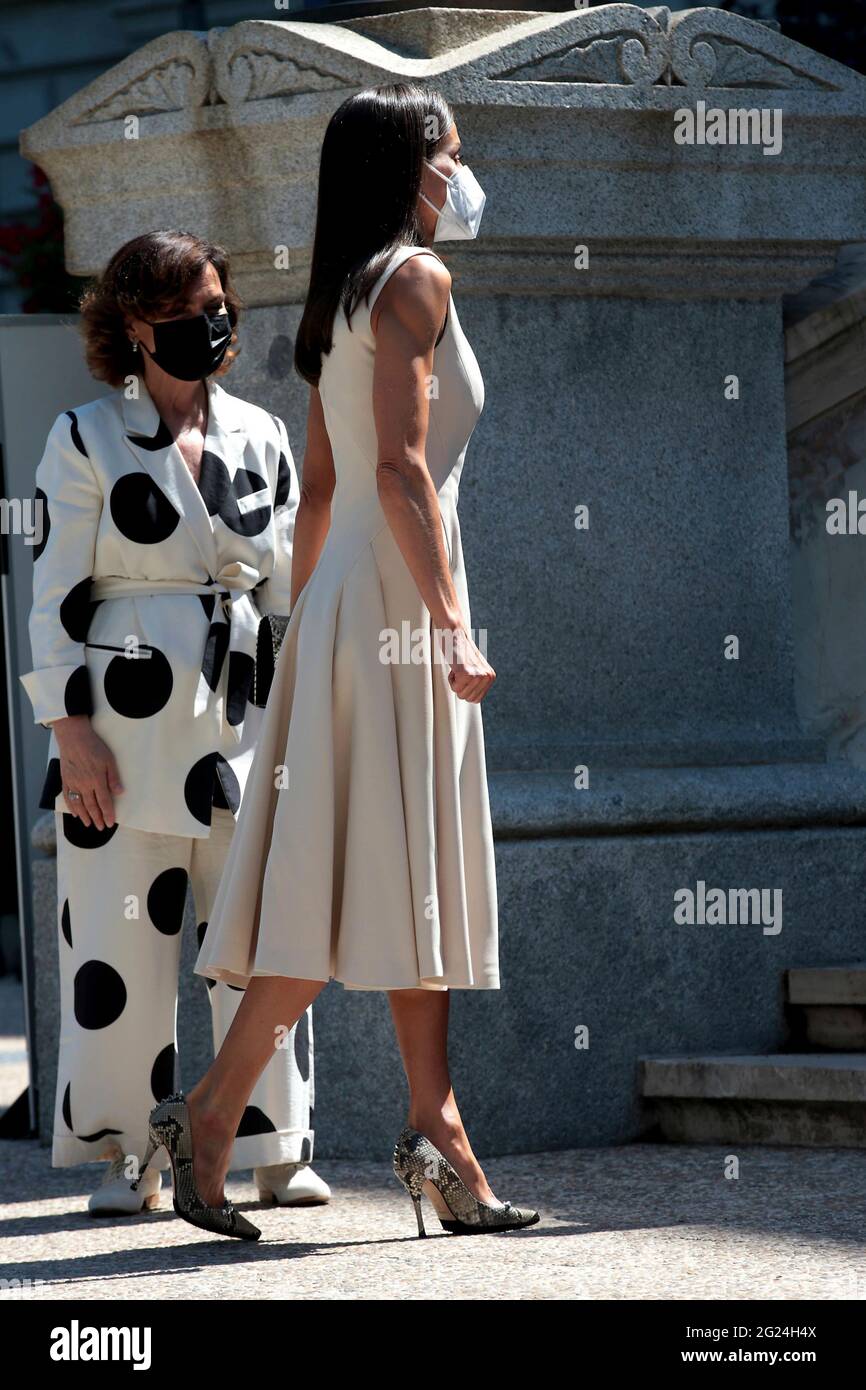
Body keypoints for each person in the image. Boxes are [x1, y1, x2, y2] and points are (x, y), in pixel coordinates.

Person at [134, 86, 540, 1241]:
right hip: (397, 602)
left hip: (347, 602)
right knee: (367, 869)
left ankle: (423, 1128)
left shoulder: (342, 293)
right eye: (453, 154)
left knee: (373, 870)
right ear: (413, 167)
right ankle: (238, 1117)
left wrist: (304, 620)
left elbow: (322, 482)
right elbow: (403, 471)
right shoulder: (411, 281)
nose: (464, 173)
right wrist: (452, 624)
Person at [20, 230, 328, 1215]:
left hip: (242, 720)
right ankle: (132, 1154)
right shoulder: (82, 435)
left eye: (213, 304)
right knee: (120, 943)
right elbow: (52, 592)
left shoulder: (261, 434)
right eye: (183, 313)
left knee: (259, 933)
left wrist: (307, 723)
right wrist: (69, 732)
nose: (208, 325)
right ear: (133, 328)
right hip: (120, 724)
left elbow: (288, 593)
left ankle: (274, 1143)